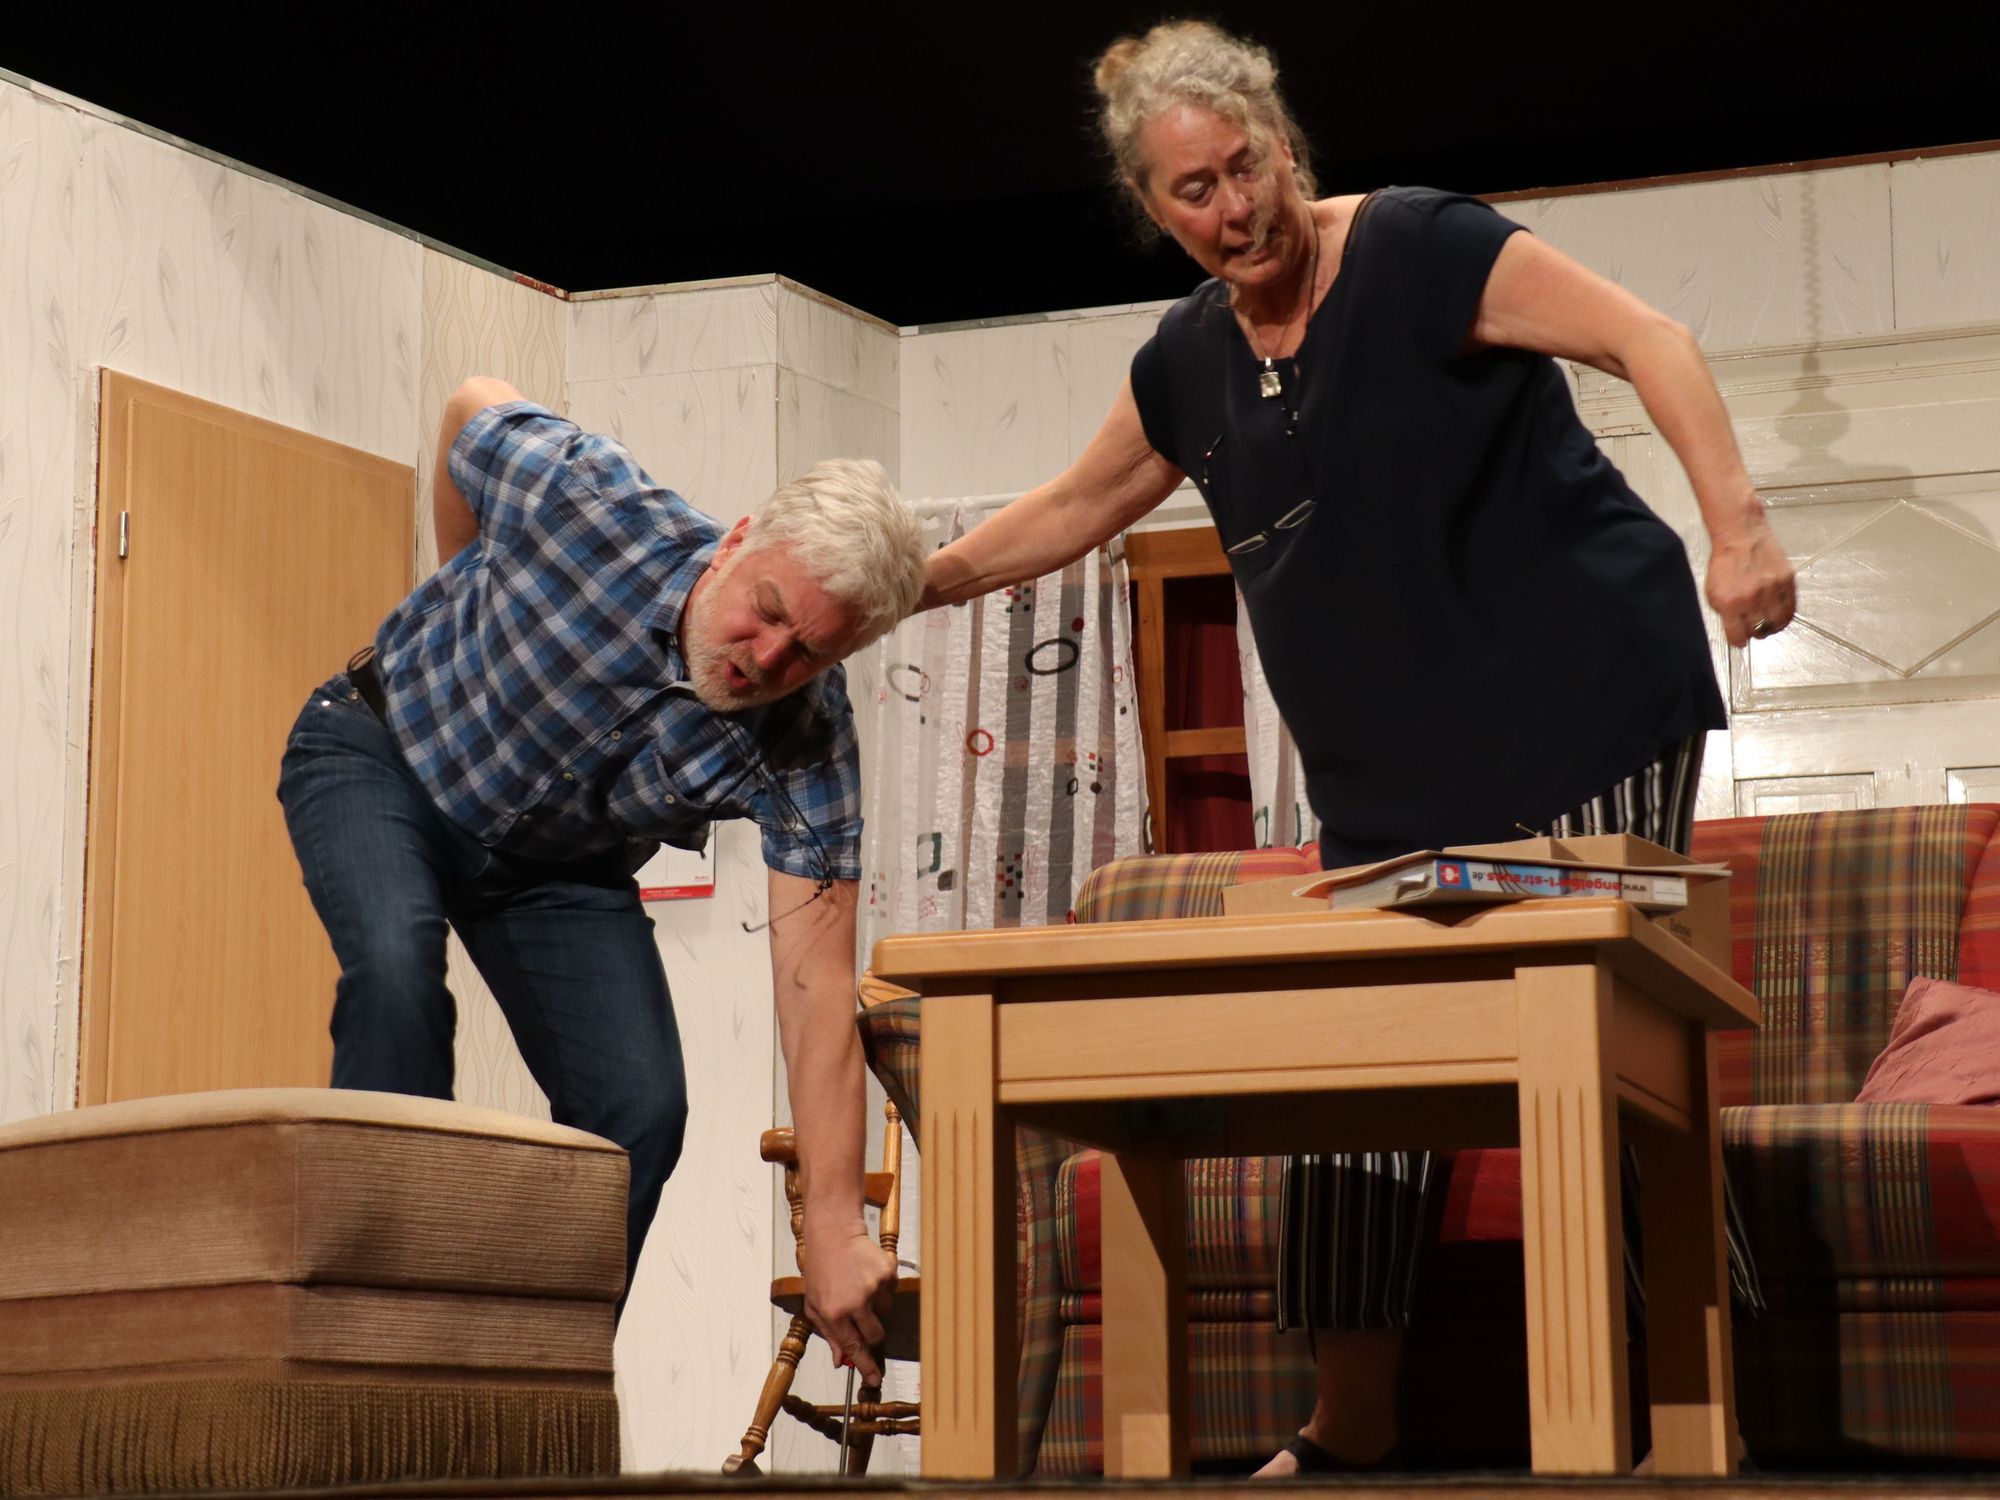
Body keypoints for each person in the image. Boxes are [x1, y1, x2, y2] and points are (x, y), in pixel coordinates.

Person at [919, 20, 1796, 1473]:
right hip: (1388, 783)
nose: (1234, 209)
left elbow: (1652, 340)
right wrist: (909, 584)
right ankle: (1349, 1425)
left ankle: (1698, 1418)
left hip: (1585, 705)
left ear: (1284, 144)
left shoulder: (1418, 247)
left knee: (1600, 1035)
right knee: (1353, 1075)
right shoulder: (1185, 362)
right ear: (1152, 209)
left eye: (1244, 167)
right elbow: (1072, 507)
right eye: (1193, 191)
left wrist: (1739, 528)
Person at [278, 376, 922, 1383]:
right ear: (736, 542)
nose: (765, 659)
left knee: (640, 1111)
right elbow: (468, 409)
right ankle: (375, 1321)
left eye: (807, 653)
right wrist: (470, 572)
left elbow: (815, 982)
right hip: (383, 753)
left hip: (555, 869)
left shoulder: (807, 738)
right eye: (764, 613)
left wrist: (834, 1228)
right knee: (398, 973)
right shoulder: (583, 503)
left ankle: (525, 1380)